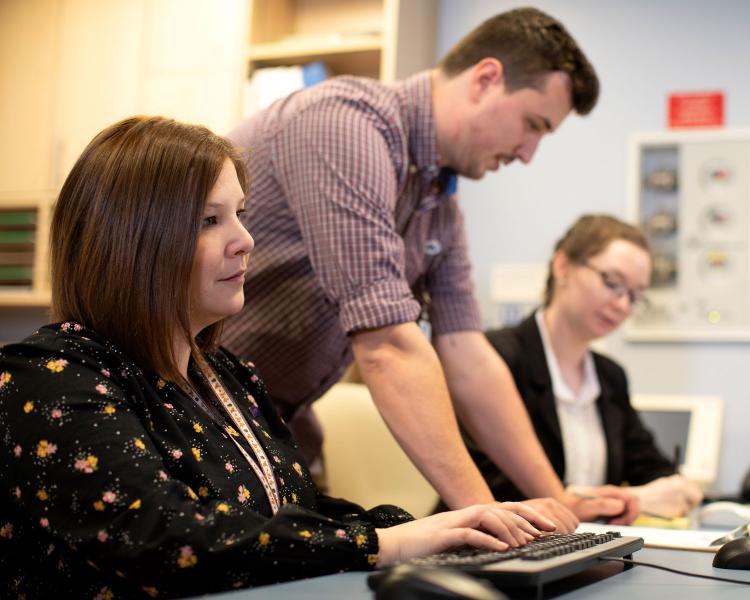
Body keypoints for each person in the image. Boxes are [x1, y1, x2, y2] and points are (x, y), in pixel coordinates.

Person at [0, 116, 557, 599]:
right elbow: (168, 540)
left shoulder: (229, 376)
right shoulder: (47, 379)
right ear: (133, 241)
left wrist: (448, 530)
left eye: (240, 213)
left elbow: (290, 516)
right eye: (208, 219)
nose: (245, 239)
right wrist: (387, 543)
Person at [222, 6, 636, 528]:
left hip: (270, 430)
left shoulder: (438, 199)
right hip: (182, 417)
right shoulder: (344, 127)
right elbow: (388, 347)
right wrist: (484, 513)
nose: (529, 153)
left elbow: (467, 355)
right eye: (532, 125)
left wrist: (559, 501)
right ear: (486, 79)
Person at [456, 214, 703, 519]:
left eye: (636, 296)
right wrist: (628, 499)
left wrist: (677, 488)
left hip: (582, 548)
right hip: (490, 546)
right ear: (562, 267)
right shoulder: (494, 358)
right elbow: (495, 488)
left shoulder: (609, 375)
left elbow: (650, 468)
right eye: (613, 283)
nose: (623, 305)